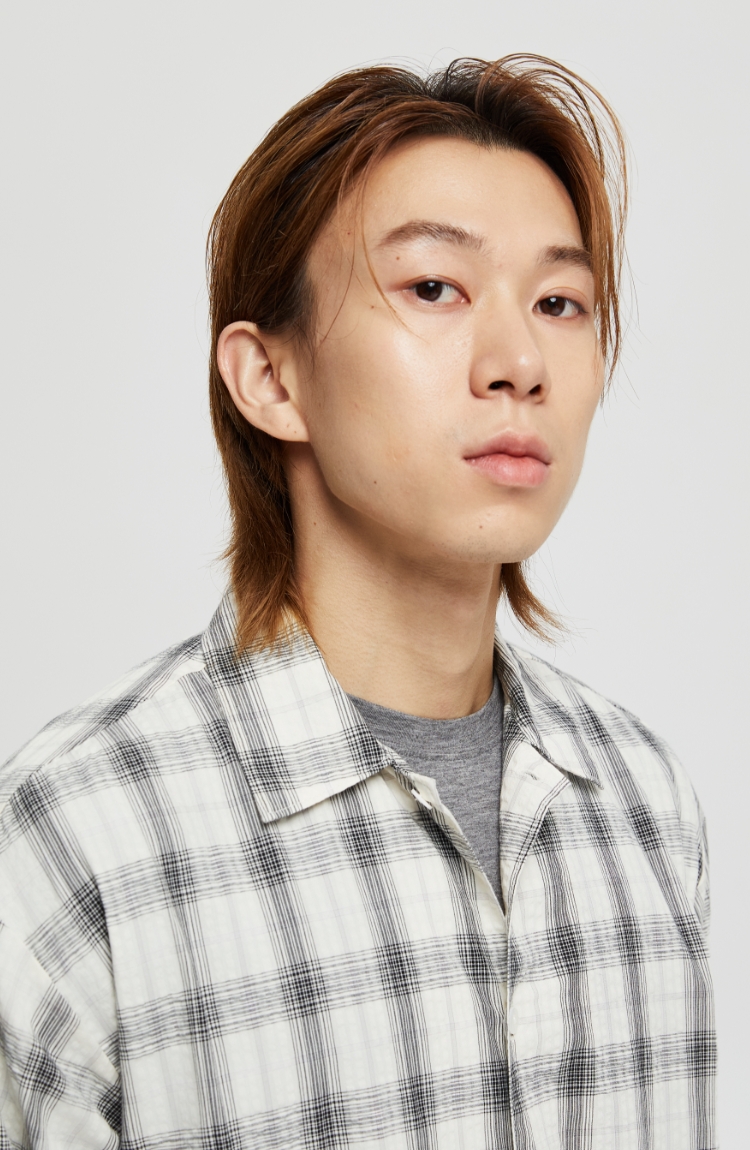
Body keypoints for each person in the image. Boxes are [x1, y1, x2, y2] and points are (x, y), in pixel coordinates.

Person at [0, 56, 715, 1150]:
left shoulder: (645, 804)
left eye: (559, 303)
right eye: (434, 287)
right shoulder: (72, 838)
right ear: (269, 377)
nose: (520, 361)